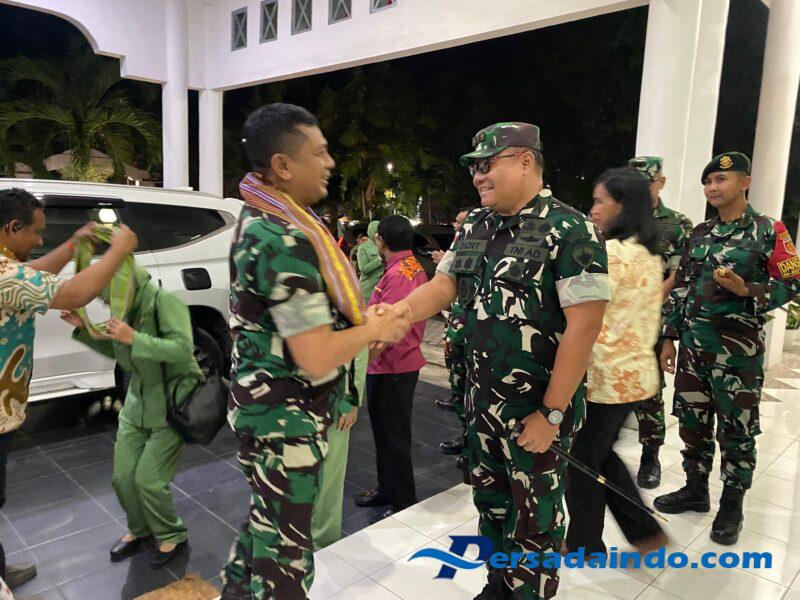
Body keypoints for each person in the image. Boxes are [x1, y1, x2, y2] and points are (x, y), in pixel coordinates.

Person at [387, 122, 609, 600]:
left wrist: (551, 414)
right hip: (481, 405)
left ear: (526, 161)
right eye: (474, 168)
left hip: (536, 412)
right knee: (491, 505)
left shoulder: (571, 229)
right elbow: (444, 285)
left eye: (487, 165)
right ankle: (498, 586)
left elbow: (585, 325)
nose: (478, 177)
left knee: (535, 522)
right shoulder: (477, 225)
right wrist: (397, 313)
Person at [220, 103, 407, 600]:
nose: (330, 163)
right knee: (285, 560)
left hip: (269, 411)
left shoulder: (271, 220)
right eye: (319, 153)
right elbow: (317, 354)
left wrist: (361, 324)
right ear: (283, 165)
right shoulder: (282, 237)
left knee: (264, 529)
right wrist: (374, 329)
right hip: (283, 419)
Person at [654, 152, 800, 545]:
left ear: (744, 182)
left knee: (737, 431)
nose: (712, 187)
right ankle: (695, 489)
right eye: (707, 182)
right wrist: (668, 338)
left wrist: (747, 290)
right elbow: (682, 287)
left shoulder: (769, 231)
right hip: (693, 351)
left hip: (737, 356)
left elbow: (793, 282)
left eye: (720, 179)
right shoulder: (700, 233)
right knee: (692, 424)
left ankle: (732, 505)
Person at [0, 188, 137, 598]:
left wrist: (75, 244)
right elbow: (75, 293)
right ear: (12, 227)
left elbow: (32, 272)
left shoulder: (8, 267)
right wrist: (120, 249)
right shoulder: (4, 275)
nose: (41, 240)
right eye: (37, 232)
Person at [62, 263, 203, 567]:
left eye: (107, 295)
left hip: (171, 405)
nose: (105, 303)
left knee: (149, 481)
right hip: (137, 403)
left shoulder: (164, 302)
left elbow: (182, 350)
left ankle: (171, 533)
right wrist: (85, 329)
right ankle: (140, 529)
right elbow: (121, 354)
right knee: (123, 478)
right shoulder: (125, 309)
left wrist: (134, 338)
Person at [565, 167, 668, 555]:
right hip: (634, 375)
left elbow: (574, 308)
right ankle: (640, 532)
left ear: (622, 205)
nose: (592, 209)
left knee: (582, 461)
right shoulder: (647, 255)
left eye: (599, 201)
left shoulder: (606, 255)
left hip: (605, 378)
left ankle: (589, 542)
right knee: (598, 455)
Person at [353, 215, 428, 523]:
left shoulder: (400, 274)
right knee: (384, 433)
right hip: (389, 364)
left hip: (392, 365)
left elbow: (390, 329)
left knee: (394, 436)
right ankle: (387, 488)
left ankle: (403, 500)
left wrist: (362, 361)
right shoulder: (405, 267)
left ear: (380, 240)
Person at [627, 156, 693, 489]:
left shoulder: (678, 224)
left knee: (648, 390)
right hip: (614, 319)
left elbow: (678, 275)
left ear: (660, 183)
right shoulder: (618, 218)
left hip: (651, 320)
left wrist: (646, 299)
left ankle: (650, 454)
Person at [311, 347, 367, 549]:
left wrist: (352, 399)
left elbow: (359, 348)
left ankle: (323, 542)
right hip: (291, 400)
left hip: (333, 398)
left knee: (329, 475)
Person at [432, 208, 471, 482]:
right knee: (461, 394)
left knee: (471, 397)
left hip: (475, 344)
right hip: (457, 334)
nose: (455, 225)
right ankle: (466, 441)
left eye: (460, 222)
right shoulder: (460, 247)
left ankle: (471, 447)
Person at [357, 220, 384, 302]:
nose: (378, 234)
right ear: (371, 231)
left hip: (382, 287)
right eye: (376, 232)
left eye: (380, 231)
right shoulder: (363, 247)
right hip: (368, 289)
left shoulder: (384, 245)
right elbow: (363, 269)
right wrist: (379, 259)